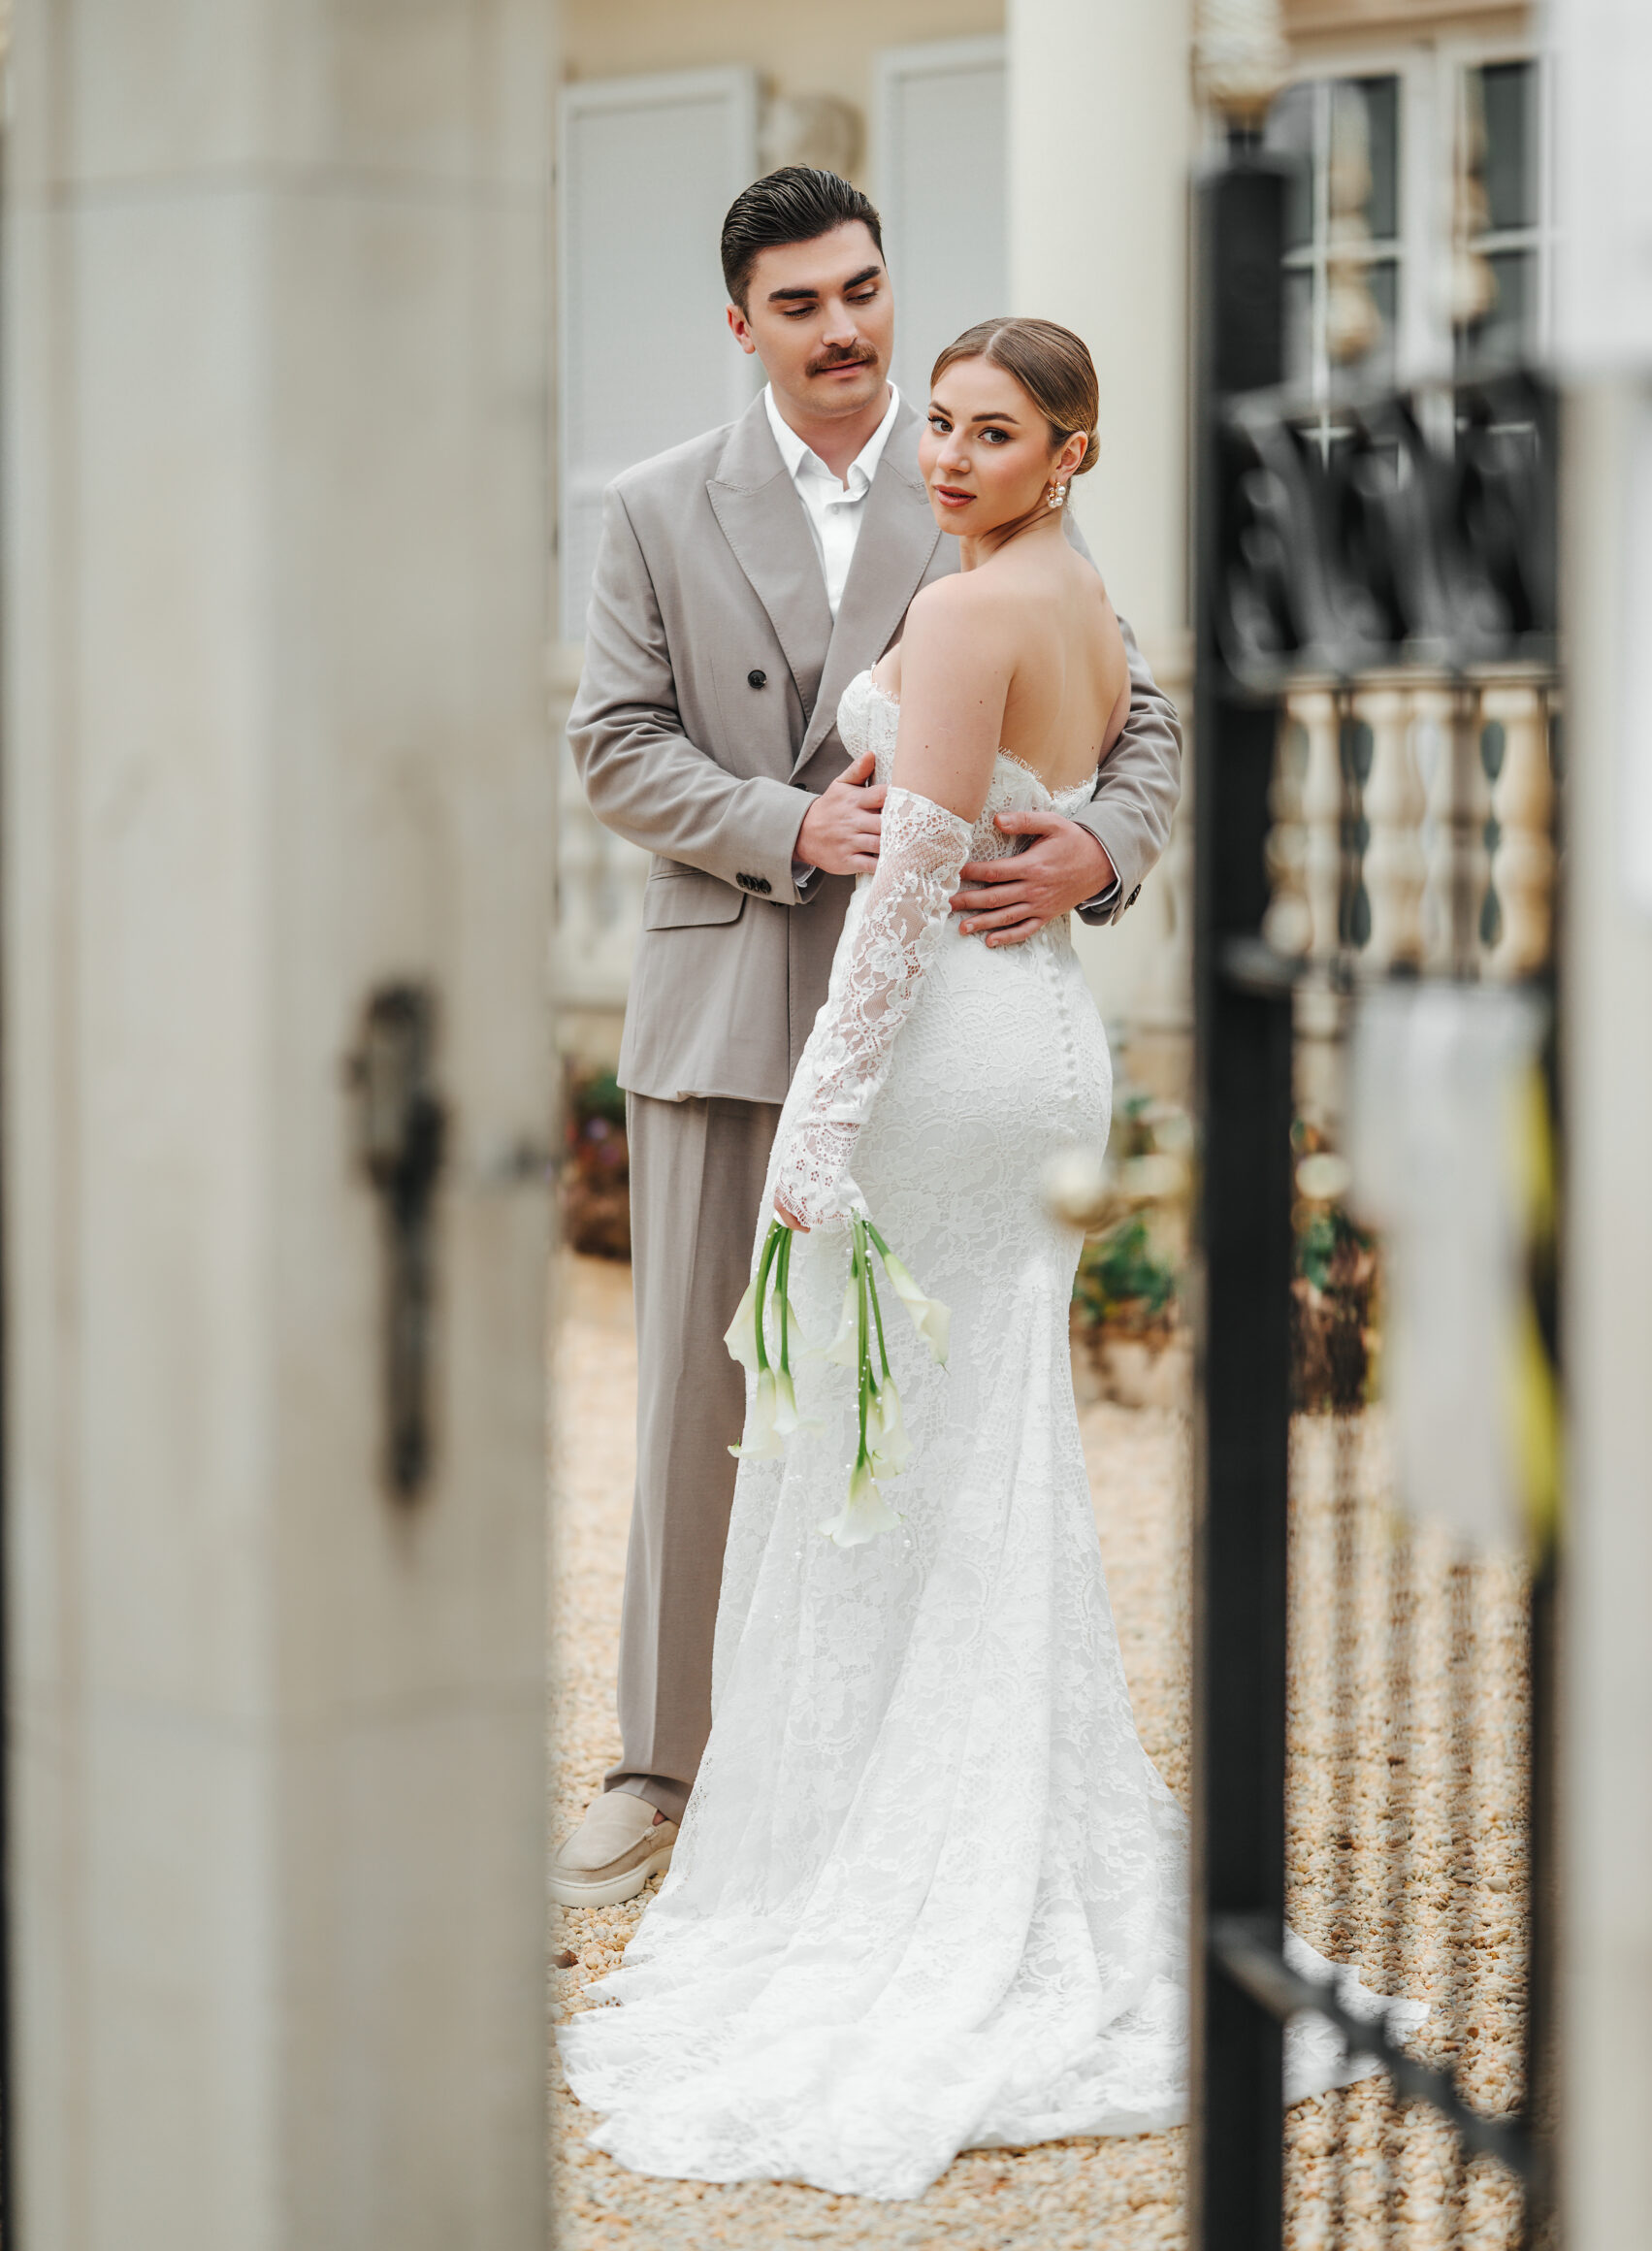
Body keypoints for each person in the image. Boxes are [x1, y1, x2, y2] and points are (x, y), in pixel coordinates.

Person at [558, 320, 1424, 2197]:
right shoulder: (1062, 585)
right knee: (962, 1454)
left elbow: (894, 905)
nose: (948, 454)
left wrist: (816, 1128)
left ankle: (912, 1858)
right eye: (938, 425)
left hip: (943, 1046)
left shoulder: (959, 619)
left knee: (878, 1456)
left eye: (990, 431)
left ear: (1071, 448)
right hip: (1035, 1045)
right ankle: (967, 1805)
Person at [557, 170, 1182, 1910]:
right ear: (743, 325)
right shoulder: (657, 506)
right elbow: (611, 743)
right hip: (737, 999)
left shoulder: (986, 464)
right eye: (805, 306)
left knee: (922, 1397)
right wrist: (784, 824)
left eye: (864, 291)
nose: (847, 333)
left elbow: (1142, 719)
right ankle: (664, 1765)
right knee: (708, 1390)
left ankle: (885, 1767)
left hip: (944, 1018)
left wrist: (1103, 845)